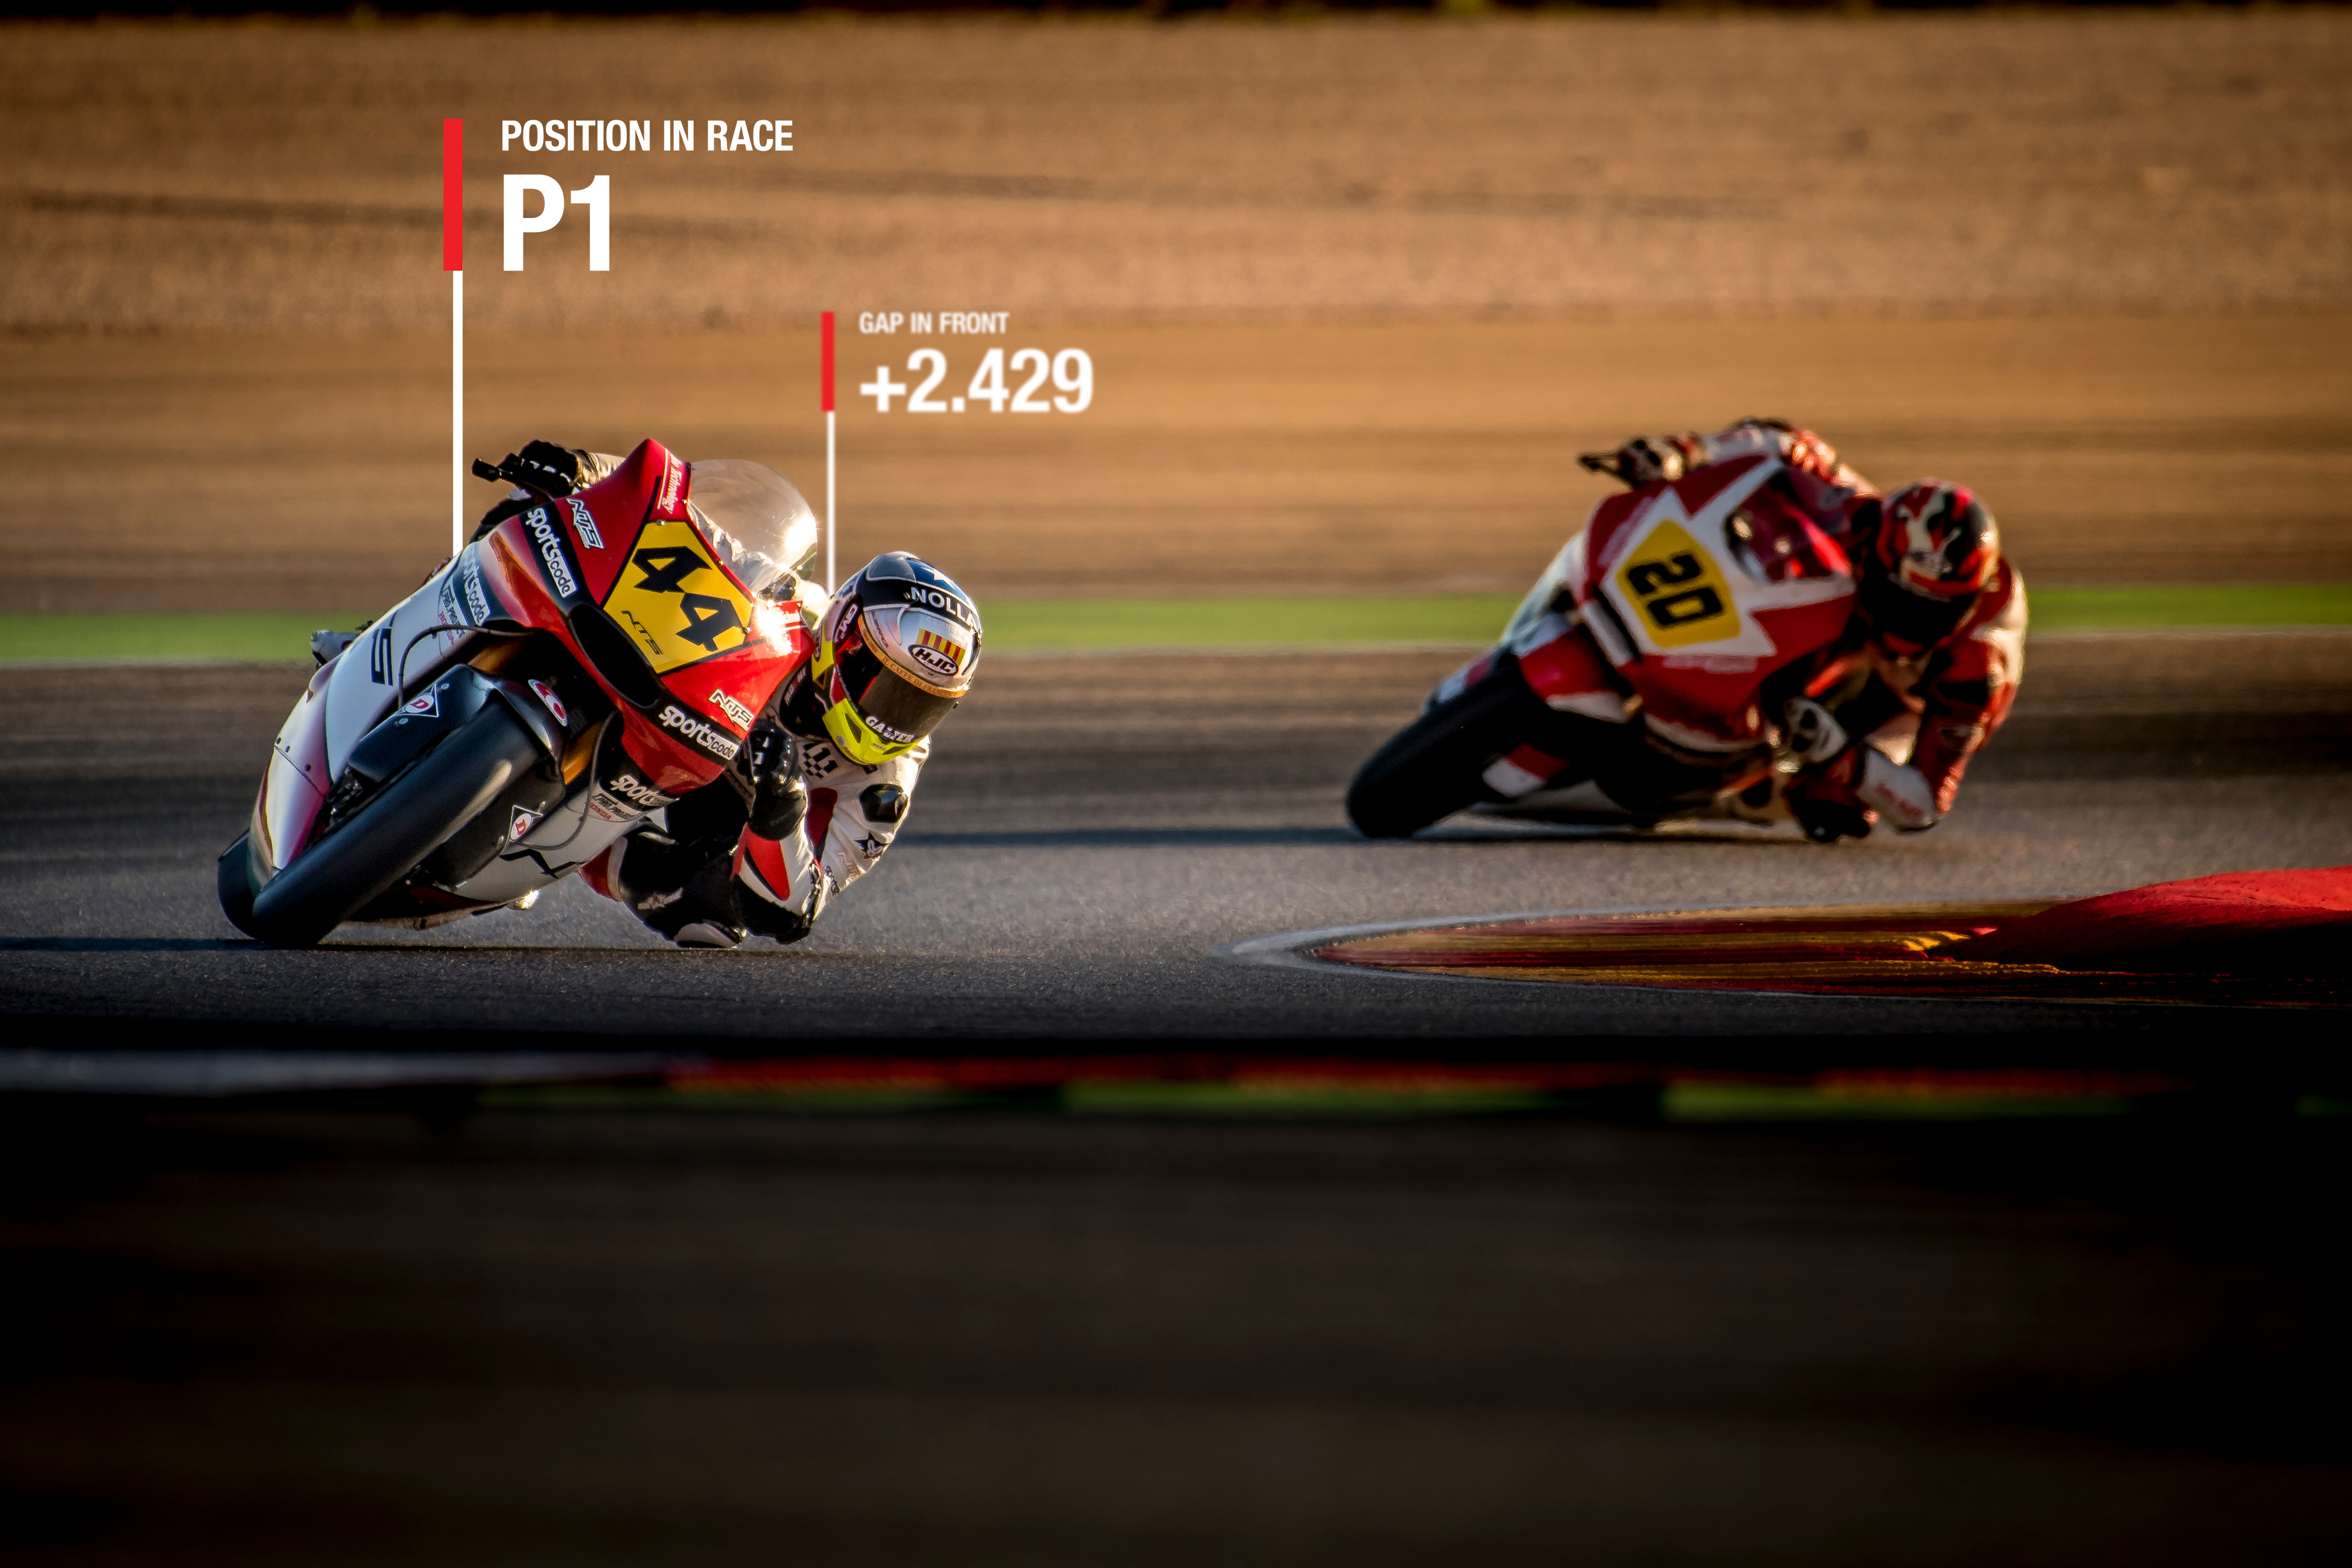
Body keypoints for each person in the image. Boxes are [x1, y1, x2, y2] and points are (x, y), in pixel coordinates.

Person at [479, 442, 981, 948]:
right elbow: (683, 523)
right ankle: (455, 615)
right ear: (843, 639)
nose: (894, 721)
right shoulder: (795, 606)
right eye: (887, 688)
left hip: (722, 804)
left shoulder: (884, 789)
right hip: (669, 692)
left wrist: (782, 807)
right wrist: (589, 471)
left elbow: (794, 910)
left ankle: (547, 853)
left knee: (715, 915)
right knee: (536, 504)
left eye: (922, 707)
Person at [1587, 420, 2025, 841]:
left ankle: (1739, 796)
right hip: (1858, 625)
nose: (1908, 618)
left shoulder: (1975, 675)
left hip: (1907, 698)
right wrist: (1686, 452)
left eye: (1929, 610)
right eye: (1898, 597)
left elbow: (1924, 806)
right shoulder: (1866, 516)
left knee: (1835, 804)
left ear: (1968, 602)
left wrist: (1840, 753)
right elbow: (1786, 442)